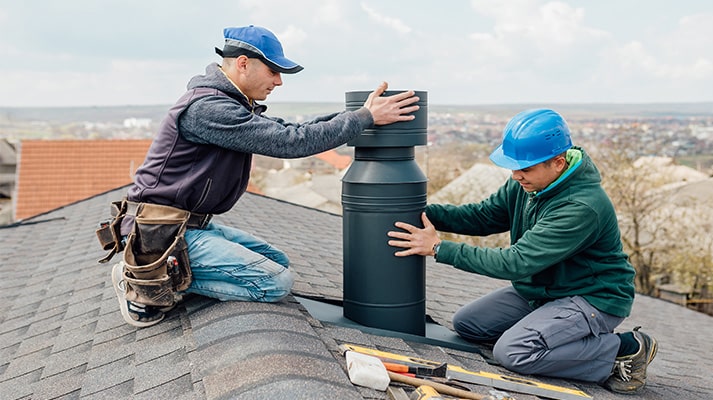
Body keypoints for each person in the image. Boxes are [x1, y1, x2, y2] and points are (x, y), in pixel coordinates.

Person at [111, 25, 419, 328]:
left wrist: (358, 115)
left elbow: (289, 130)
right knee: (274, 282)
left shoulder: (230, 104)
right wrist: (365, 118)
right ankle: (147, 281)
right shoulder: (208, 109)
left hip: (187, 226)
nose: (279, 81)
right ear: (243, 64)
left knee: (278, 261)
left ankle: (170, 272)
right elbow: (291, 143)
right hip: (161, 233)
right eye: (273, 71)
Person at [387, 109, 657, 394]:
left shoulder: (580, 207)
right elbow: (484, 217)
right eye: (514, 167)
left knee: (513, 353)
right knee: (468, 324)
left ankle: (622, 349)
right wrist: (422, 213)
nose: (516, 176)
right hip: (544, 291)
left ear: (558, 163)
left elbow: (515, 263)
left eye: (525, 169)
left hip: (592, 298)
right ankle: (554, 335)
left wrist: (439, 248)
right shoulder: (530, 184)